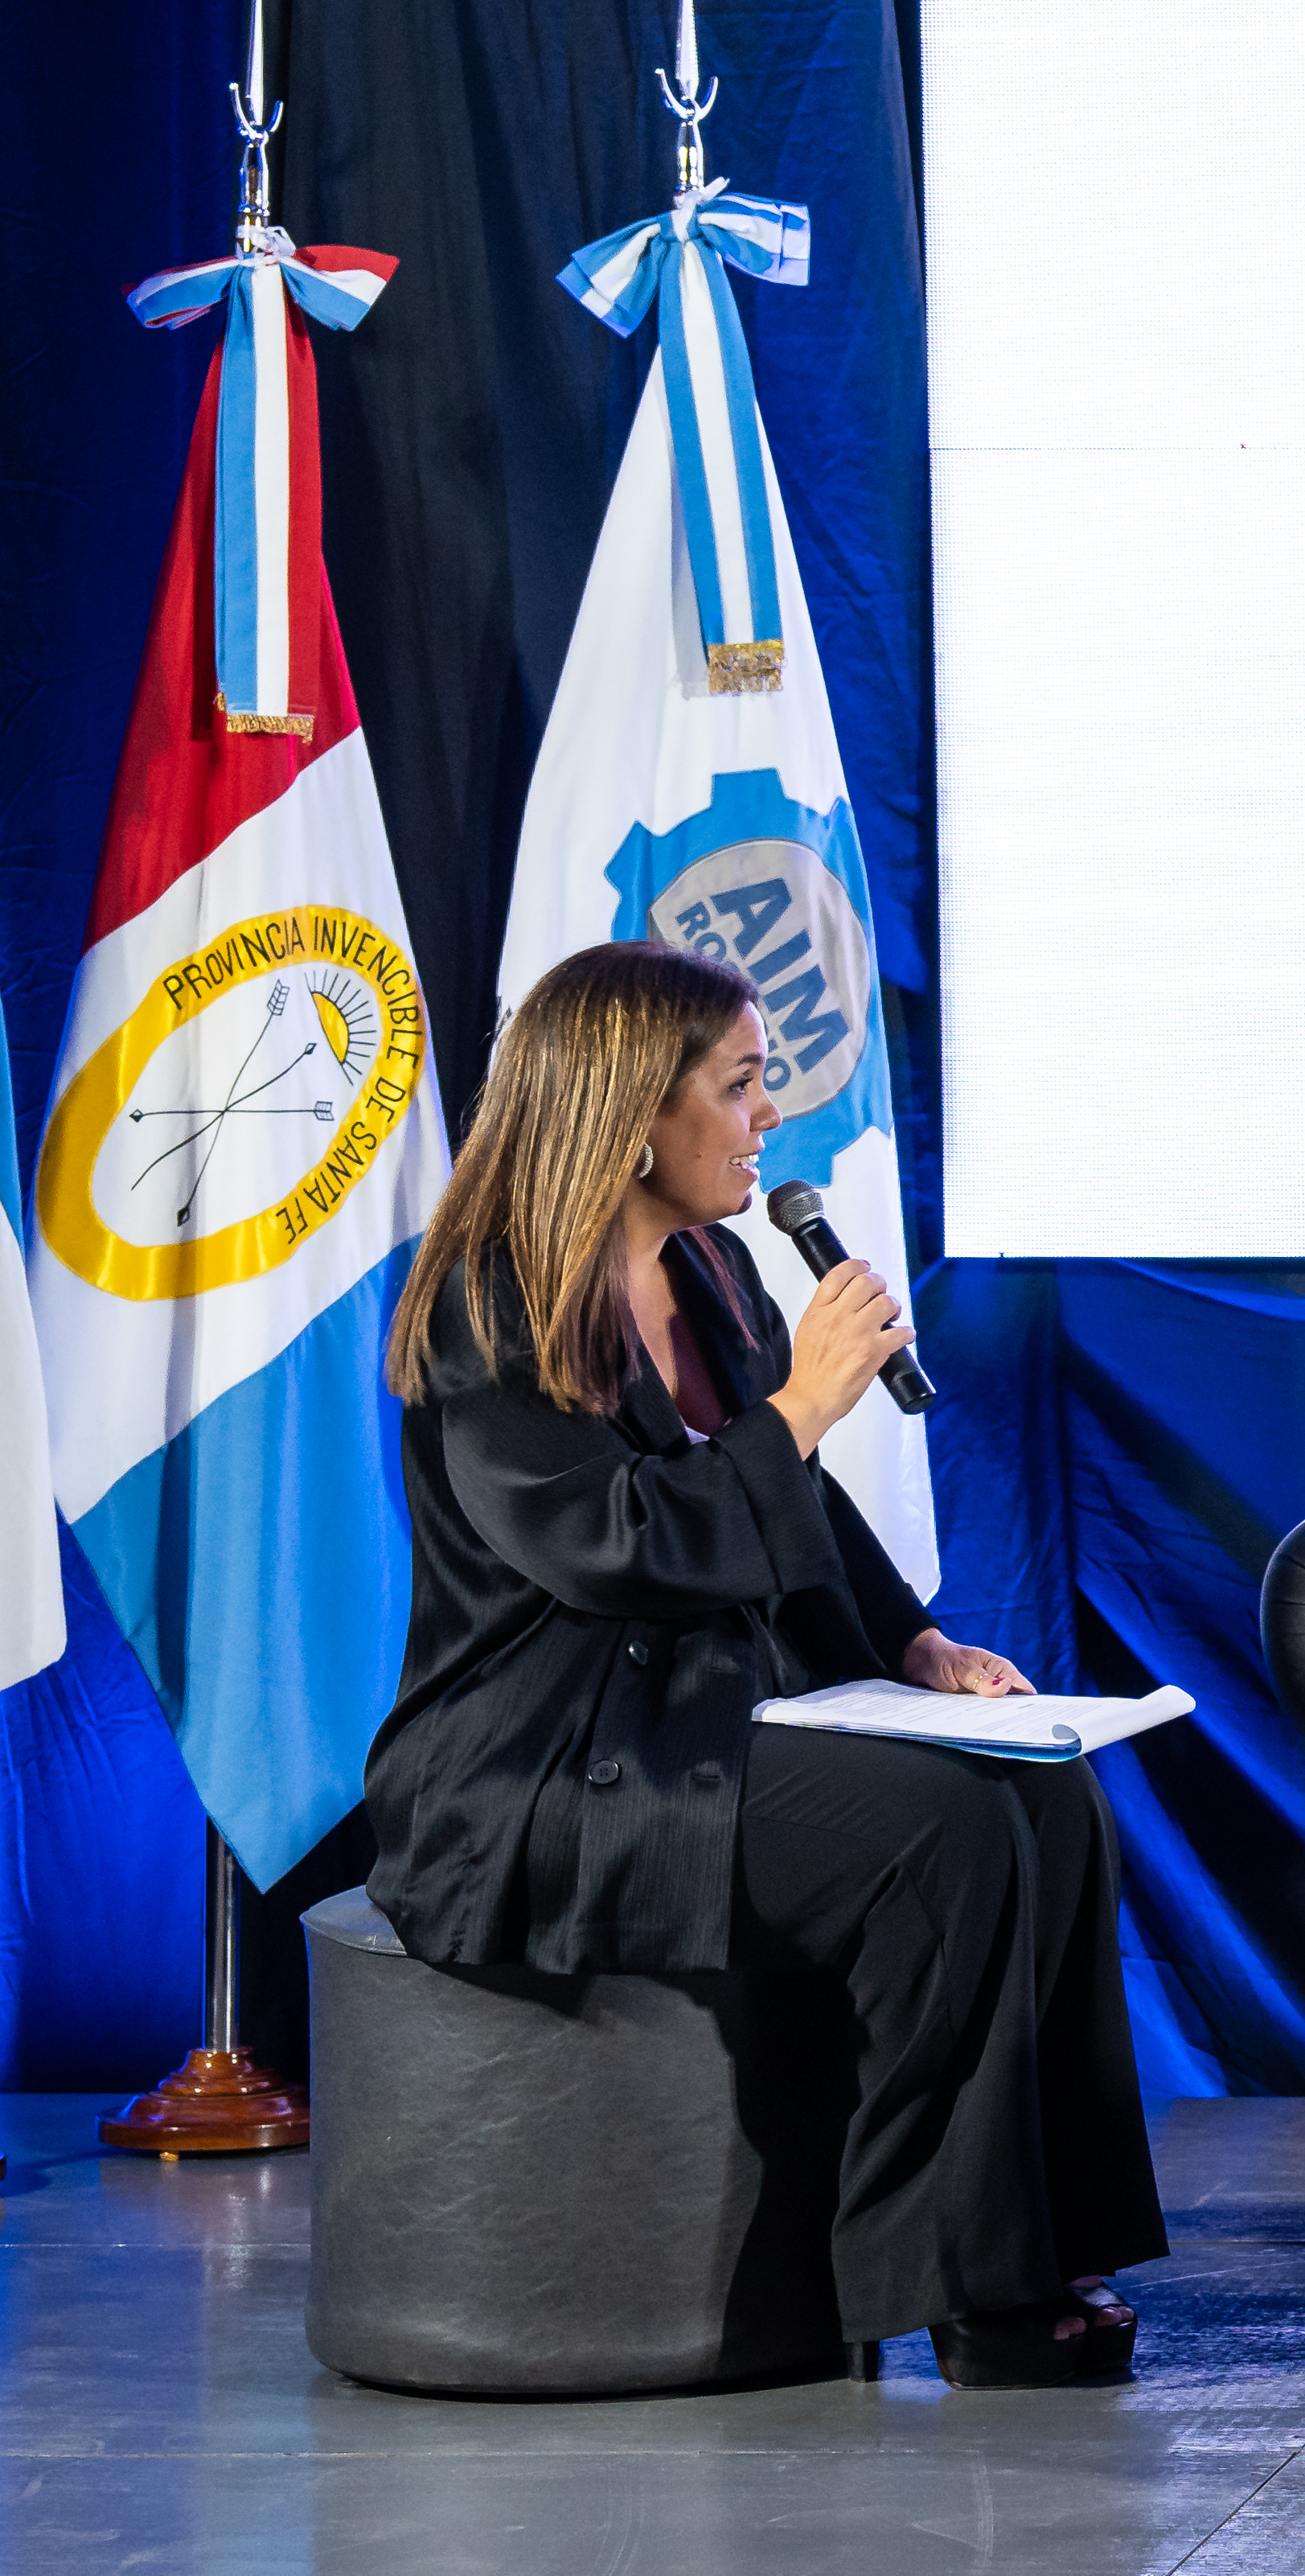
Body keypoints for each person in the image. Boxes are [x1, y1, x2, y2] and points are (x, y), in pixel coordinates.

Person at [368, 939, 1164, 2388]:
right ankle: (953, 2286)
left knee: (1041, 1797)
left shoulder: (712, 1266)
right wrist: (800, 1404)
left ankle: (1049, 2233)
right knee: (935, 1837)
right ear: (629, 1111)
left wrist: (908, 1644)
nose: (767, 1121)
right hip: (543, 1766)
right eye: (738, 1088)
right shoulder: (487, 1303)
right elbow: (605, 1545)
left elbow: (801, 1504)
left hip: (707, 1717)